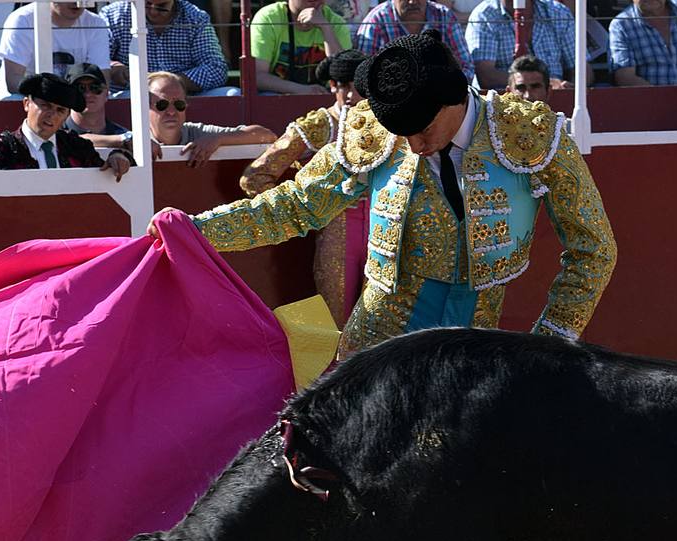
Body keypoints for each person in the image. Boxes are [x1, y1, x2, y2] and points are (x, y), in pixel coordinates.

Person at [164, 29, 616, 360]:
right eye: (403, 133)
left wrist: (552, 339)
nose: (413, 146)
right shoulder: (374, 130)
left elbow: (594, 248)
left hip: (475, 333)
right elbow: (295, 206)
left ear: (453, 99)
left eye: (421, 129)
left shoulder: (531, 134)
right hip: (379, 330)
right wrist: (195, 232)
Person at [240, 49, 369, 324]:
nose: (350, 95)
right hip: (335, 228)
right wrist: (298, 211)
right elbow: (255, 176)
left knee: (381, 320)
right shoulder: (320, 125)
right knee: (337, 319)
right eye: (342, 86)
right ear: (331, 86)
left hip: (382, 227)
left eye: (358, 87)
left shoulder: (382, 124)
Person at [0, 72, 134, 178]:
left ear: (66, 115)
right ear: (27, 103)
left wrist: (118, 156)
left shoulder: (75, 146)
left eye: (60, 110)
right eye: (45, 106)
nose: (52, 115)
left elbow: (101, 168)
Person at [141, 71, 277, 164]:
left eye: (179, 104)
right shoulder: (135, 140)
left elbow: (266, 135)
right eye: (162, 104)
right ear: (144, 107)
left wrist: (218, 139)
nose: (171, 112)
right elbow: (120, 141)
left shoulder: (197, 132)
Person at [101, 0, 234, 96]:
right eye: (146, 4)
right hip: (131, 94)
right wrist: (114, 67)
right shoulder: (113, 15)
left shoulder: (195, 17)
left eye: (161, 6)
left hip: (184, 97)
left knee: (232, 95)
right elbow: (95, 60)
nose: (153, 11)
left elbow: (217, 68)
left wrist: (171, 82)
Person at [0, 2, 110, 100]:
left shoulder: (96, 23)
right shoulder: (22, 19)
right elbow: (13, 81)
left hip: (74, 101)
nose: (76, 2)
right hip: (26, 100)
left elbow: (102, 81)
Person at [465, 0, 588, 89]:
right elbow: (486, 76)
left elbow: (584, 69)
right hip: (502, 109)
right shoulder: (484, 15)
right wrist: (545, 84)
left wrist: (570, 88)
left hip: (558, 102)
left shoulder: (558, 12)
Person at [249, 0, 353, 94]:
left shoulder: (335, 22)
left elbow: (344, 74)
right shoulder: (269, 18)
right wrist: (302, 90)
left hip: (324, 95)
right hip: (277, 94)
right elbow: (258, 77)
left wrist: (325, 28)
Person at [356, 0, 474, 79]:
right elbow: (365, 75)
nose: (412, 2)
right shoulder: (375, 21)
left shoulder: (444, 16)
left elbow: (466, 68)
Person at [65, 64, 128, 138]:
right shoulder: (54, 136)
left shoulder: (123, 134)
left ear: (107, 94)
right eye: (79, 89)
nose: (88, 94)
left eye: (95, 87)